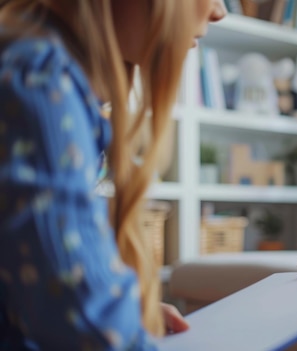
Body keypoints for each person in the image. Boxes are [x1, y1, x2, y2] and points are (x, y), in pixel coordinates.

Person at [0, 0, 226, 349]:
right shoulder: (39, 81)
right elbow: (81, 319)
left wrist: (123, 315)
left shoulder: (34, 65)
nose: (219, 11)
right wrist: (117, 327)